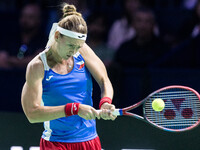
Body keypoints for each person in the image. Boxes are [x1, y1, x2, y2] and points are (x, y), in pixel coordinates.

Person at [21, 3, 116, 150]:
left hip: (90, 141)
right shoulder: (37, 66)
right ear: (57, 36)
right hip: (56, 143)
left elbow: (104, 80)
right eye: (71, 46)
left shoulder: (81, 51)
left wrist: (105, 102)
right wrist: (74, 109)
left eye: (78, 46)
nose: (74, 51)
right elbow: (32, 114)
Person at [0, 3, 47, 69]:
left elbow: (39, 61)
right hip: (8, 77)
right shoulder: (9, 37)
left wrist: (11, 61)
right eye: (23, 16)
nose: (25, 20)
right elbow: (2, 60)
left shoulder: (44, 40)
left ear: (39, 20)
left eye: (30, 17)